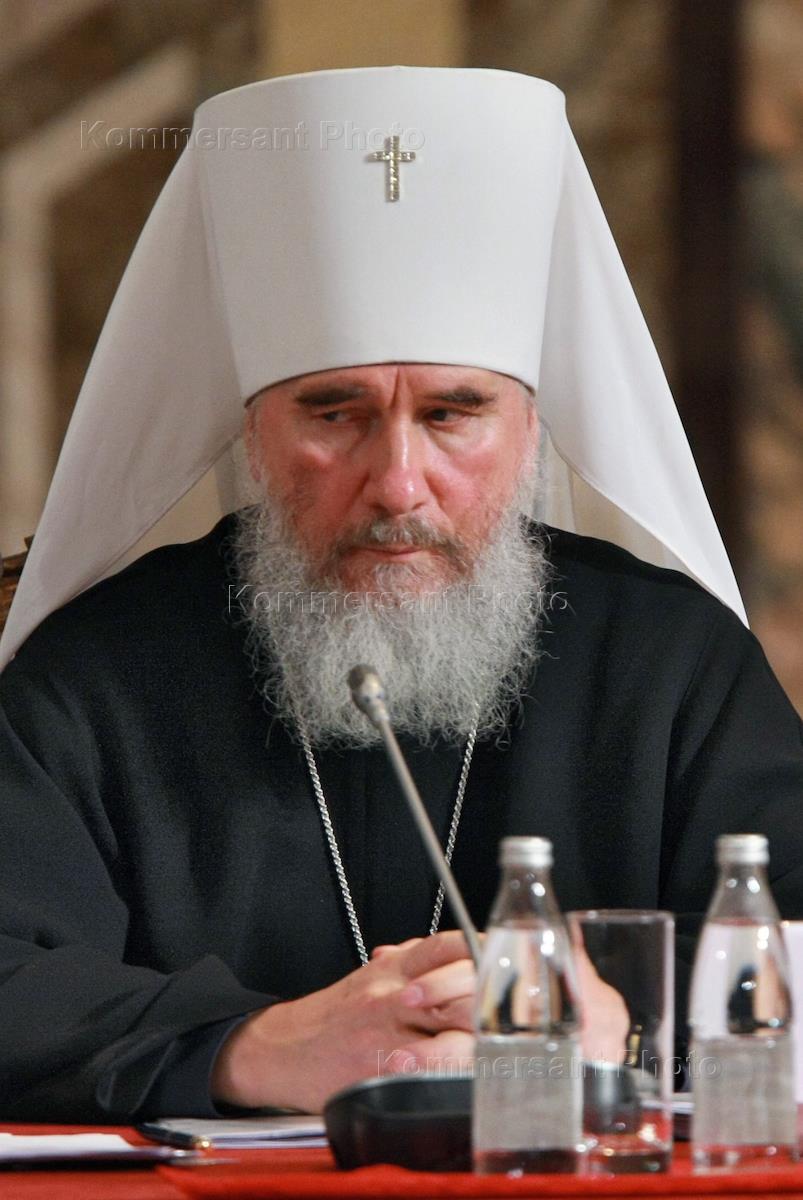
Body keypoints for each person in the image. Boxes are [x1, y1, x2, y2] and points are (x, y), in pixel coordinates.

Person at [0, 67, 801, 1122]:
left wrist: (634, 1018)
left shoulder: (671, 663)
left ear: (529, 429)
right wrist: (248, 1047)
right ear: (251, 432)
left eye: (451, 414)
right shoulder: (95, 676)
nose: (397, 485)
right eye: (333, 415)